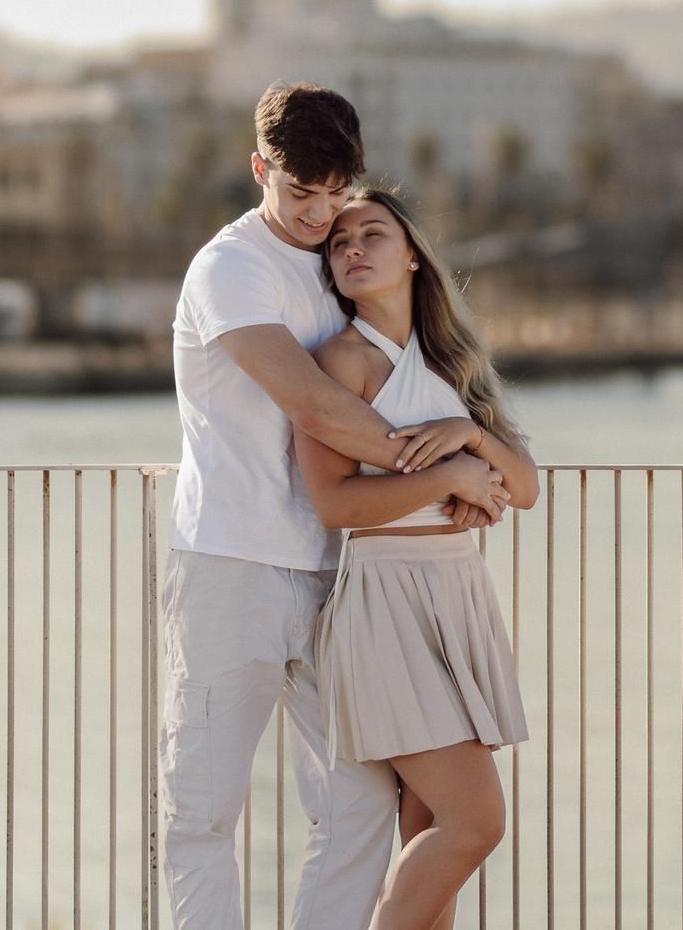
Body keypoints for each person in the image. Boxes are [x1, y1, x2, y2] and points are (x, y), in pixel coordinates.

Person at [162, 84, 515, 930]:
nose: (321, 213)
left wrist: (463, 461)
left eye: (334, 192)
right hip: (232, 565)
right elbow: (316, 406)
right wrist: (453, 465)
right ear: (260, 171)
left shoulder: (333, 261)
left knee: (357, 808)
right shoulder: (231, 268)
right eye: (300, 193)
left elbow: (390, 364)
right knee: (203, 813)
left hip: (340, 580)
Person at [296, 186, 539, 930]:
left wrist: (466, 437)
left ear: (411, 256)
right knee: (476, 819)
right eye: (339, 243)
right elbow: (335, 504)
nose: (354, 248)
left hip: (455, 591)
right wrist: (450, 477)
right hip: (388, 600)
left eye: (373, 234)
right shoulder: (339, 360)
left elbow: (524, 486)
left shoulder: (451, 361)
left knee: (427, 828)